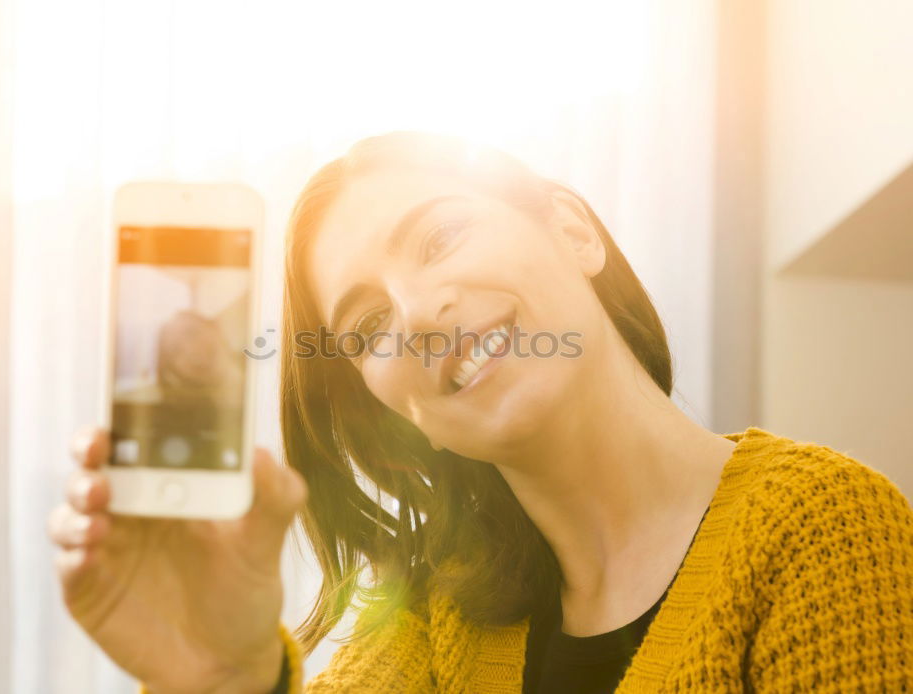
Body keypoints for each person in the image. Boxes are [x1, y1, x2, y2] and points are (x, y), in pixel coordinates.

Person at [48, 131, 913, 693]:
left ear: (574, 232)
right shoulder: (434, 614)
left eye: (439, 237)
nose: (417, 316)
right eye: (369, 326)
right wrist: (227, 675)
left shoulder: (824, 527)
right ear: (398, 411)